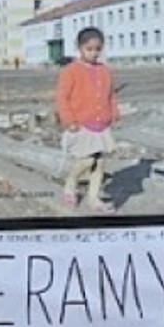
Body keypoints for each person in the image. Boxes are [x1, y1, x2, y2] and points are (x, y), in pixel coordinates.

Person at [55, 27, 118, 212]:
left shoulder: (105, 70)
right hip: (82, 124)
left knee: (100, 163)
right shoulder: (70, 71)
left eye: (97, 49)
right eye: (89, 49)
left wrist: (114, 112)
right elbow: (62, 98)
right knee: (87, 161)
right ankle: (71, 182)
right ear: (79, 47)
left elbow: (111, 94)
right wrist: (69, 120)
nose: (93, 53)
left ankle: (93, 198)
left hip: (102, 124)